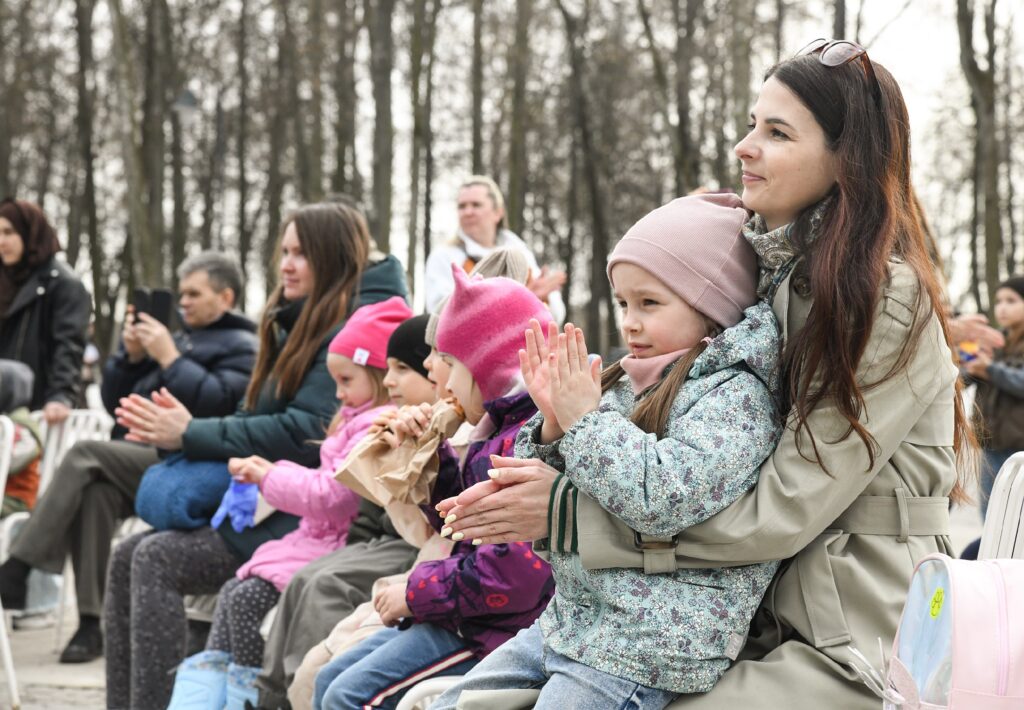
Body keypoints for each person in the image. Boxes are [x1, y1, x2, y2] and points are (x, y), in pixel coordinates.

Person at [437, 39, 975, 710]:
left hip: (851, 629)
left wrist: (569, 517)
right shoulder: (768, 278)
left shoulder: (882, 296)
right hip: (741, 615)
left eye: (776, 132)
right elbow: (665, 444)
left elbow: (785, 509)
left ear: (848, 160)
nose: (745, 147)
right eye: (752, 124)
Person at [433, 194, 782, 709]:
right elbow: (573, 475)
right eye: (623, 304)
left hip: (650, 644)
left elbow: (663, 497)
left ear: (712, 302)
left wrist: (583, 420)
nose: (630, 323)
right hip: (576, 620)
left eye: (649, 303)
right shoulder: (630, 379)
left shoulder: (735, 396)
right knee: (449, 704)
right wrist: (552, 424)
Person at [103, 202, 408, 710]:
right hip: (269, 504)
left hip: (297, 518)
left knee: (154, 558)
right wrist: (187, 429)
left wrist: (193, 433)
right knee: (126, 553)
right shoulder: (295, 317)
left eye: (301, 254)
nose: (286, 264)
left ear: (332, 259)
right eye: (283, 252)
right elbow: (258, 413)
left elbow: (303, 432)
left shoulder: (352, 333)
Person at [254, 248, 537, 709]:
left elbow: (514, 576)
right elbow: (458, 521)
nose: (435, 372)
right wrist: (430, 456)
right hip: (464, 614)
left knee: (348, 693)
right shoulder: (493, 431)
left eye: (446, 358)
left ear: (486, 362)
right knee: (329, 679)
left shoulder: (521, 440)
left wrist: (415, 591)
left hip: (493, 632)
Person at [0, 251, 258, 663]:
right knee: (95, 492)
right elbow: (116, 401)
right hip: (141, 455)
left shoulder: (245, 345)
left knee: (86, 453)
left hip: (188, 463)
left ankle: (19, 565)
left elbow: (219, 405)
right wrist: (132, 357)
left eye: (195, 293)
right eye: (182, 294)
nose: (184, 302)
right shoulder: (182, 338)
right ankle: (89, 624)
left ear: (226, 297)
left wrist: (171, 358)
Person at [165, 297, 410, 709]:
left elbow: (337, 496)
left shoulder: (375, 426)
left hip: (331, 546)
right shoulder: (353, 419)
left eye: (346, 380)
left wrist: (269, 476)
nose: (338, 392)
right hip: (308, 541)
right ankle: (211, 699)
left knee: (241, 602)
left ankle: (247, 699)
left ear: (375, 371)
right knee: (232, 594)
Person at [424, 176, 566, 323]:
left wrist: (541, 299)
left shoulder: (519, 253)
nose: (468, 212)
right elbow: (440, 315)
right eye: (462, 206)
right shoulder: (444, 256)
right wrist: (521, 300)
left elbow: (556, 316)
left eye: (476, 205)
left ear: (498, 212)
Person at [0, 197, 90, 423]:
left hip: (38, 408)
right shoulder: (3, 282)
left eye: (9, 232)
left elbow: (69, 346)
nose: (1, 241)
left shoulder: (64, 284)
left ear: (30, 232)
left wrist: (61, 396)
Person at [964, 276, 1024, 517]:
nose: (1002, 307)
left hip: (1021, 450)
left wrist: (990, 369)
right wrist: (968, 355)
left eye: (1011, 300)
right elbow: (961, 380)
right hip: (990, 446)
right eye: (998, 300)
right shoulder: (990, 342)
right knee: (991, 519)